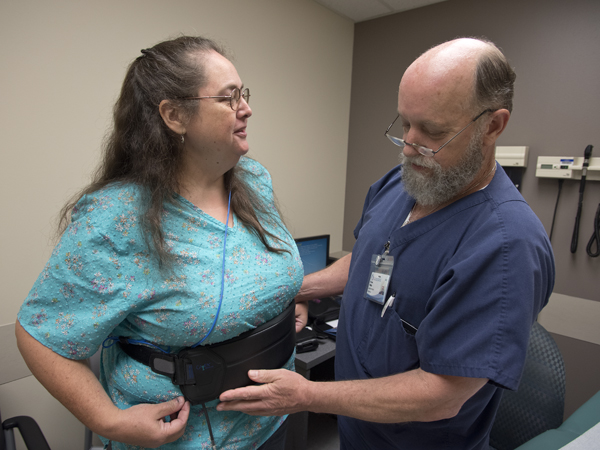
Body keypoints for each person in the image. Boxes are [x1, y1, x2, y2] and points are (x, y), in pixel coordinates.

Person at [217, 37, 555, 449]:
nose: (409, 145)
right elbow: (367, 258)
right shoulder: (406, 180)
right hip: (358, 433)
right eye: (404, 123)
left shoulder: (505, 246)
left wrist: (306, 394)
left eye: (432, 131)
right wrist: (295, 290)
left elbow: (443, 394)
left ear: (493, 126)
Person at [16, 36, 305, 450]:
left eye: (244, 93)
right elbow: (40, 336)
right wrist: (109, 422)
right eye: (229, 98)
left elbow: (258, 270)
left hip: (270, 424)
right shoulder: (116, 218)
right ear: (174, 116)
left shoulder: (253, 180)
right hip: (188, 439)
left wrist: (281, 300)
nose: (247, 108)